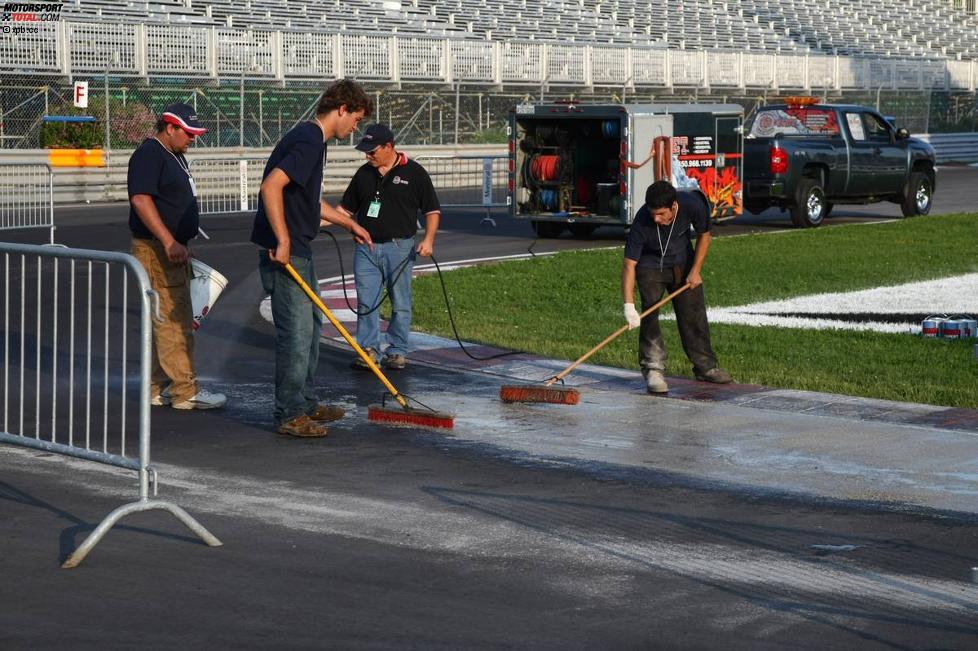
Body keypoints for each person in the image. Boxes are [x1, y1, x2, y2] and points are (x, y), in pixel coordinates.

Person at [250, 79, 374, 438]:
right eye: (355, 119)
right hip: (286, 253)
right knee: (296, 332)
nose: (356, 129)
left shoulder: (313, 142)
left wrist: (350, 223)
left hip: (300, 248)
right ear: (341, 109)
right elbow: (271, 185)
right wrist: (283, 238)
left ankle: (304, 402)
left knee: (313, 328)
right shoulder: (308, 140)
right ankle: (290, 413)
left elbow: (308, 203)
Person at [128, 102, 227, 411]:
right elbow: (141, 199)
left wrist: (180, 240)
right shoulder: (150, 154)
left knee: (166, 318)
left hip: (168, 247)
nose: (192, 138)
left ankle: (158, 387)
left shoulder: (173, 155)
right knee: (175, 321)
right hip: (157, 249)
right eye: (188, 132)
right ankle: (185, 392)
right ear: (169, 128)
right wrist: (170, 241)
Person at [336, 123, 441, 371]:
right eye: (365, 151)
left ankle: (396, 351)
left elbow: (432, 211)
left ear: (388, 147)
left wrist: (428, 240)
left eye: (372, 151)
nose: (368, 156)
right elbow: (343, 211)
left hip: (400, 248)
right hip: (367, 249)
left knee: (400, 301)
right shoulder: (363, 174)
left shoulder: (415, 173)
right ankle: (369, 349)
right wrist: (338, 225)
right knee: (366, 302)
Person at [621, 180, 732, 394]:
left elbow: (704, 236)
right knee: (650, 314)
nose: (655, 218)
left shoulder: (692, 205)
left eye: (661, 214)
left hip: (684, 263)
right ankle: (653, 369)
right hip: (650, 266)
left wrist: (696, 270)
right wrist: (628, 306)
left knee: (693, 314)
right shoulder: (642, 221)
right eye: (653, 213)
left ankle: (705, 367)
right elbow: (629, 264)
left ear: (673, 206)